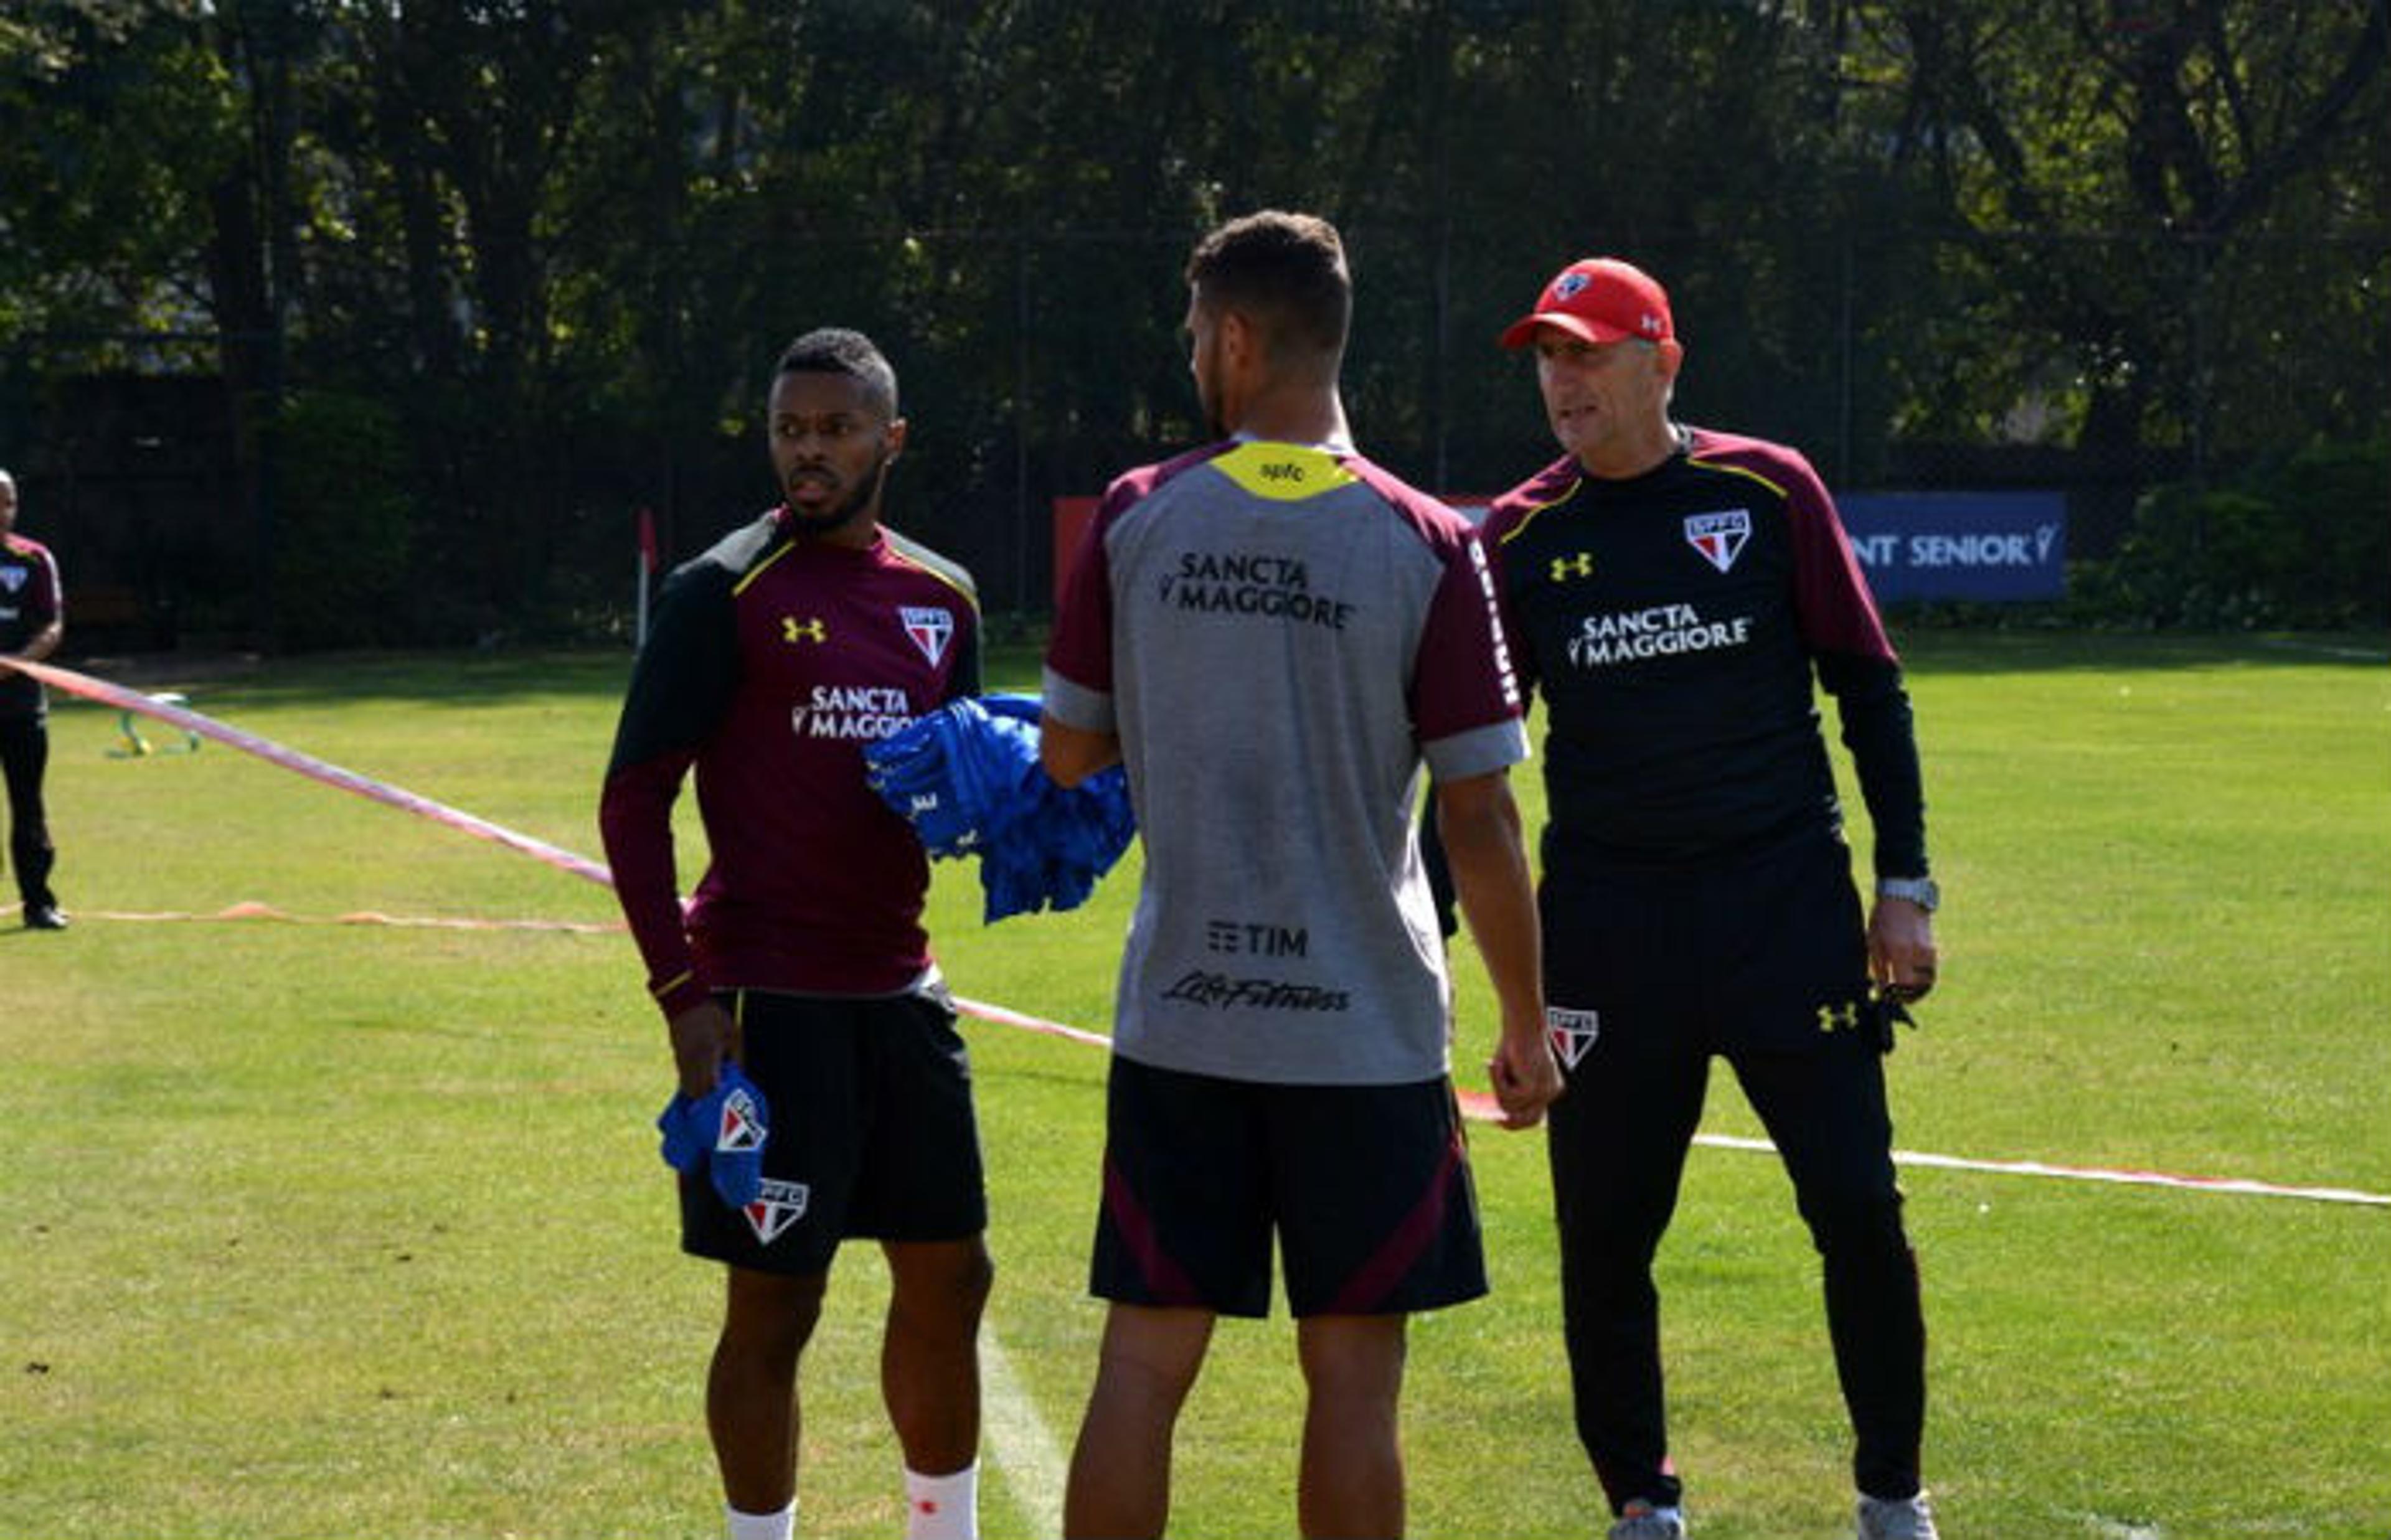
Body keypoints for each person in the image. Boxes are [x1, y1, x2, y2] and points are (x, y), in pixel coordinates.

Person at [1040, 210, 1564, 1540]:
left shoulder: (1136, 518)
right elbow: (1483, 816)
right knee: (1354, 1381)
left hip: (1185, 1020)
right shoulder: (1427, 541)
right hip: (1366, 1037)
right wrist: (1522, 1025)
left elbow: (1069, 757)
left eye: (1192, 334)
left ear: (1233, 337)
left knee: (1144, 1365)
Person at [1480, 256, 1942, 1540]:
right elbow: (1473, 771)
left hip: (1784, 910)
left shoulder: (1765, 487)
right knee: (1607, 1237)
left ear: (1662, 363)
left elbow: (1868, 688)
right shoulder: (1515, 535)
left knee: (1856, 1206)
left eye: (1588, 352)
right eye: (1547, 356)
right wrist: (1436, 943)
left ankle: (1893, 1495)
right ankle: (1642, 1503)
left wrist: (1903, 887)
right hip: (1610, 935)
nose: (1563, 379)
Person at [598, 329, 993, 1540]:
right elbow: (633, 797)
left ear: (891, 439)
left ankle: (944, 1530)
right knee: (776, 1307)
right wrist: (683, 997)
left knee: (953, 1277)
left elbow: (954, 777)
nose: (809, 452)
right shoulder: (721, 590)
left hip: (903, 993)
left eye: (834, 429)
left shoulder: (944, 599)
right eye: (790, 430)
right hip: (769, 1007)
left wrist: (1015, 796)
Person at [0, 467, 68, 931]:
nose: (2, 511)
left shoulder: (34, 559)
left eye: (8, 502)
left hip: (21, 706)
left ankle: (38, 903)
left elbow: (53, 625)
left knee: (29, 806)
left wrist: (18, 661)